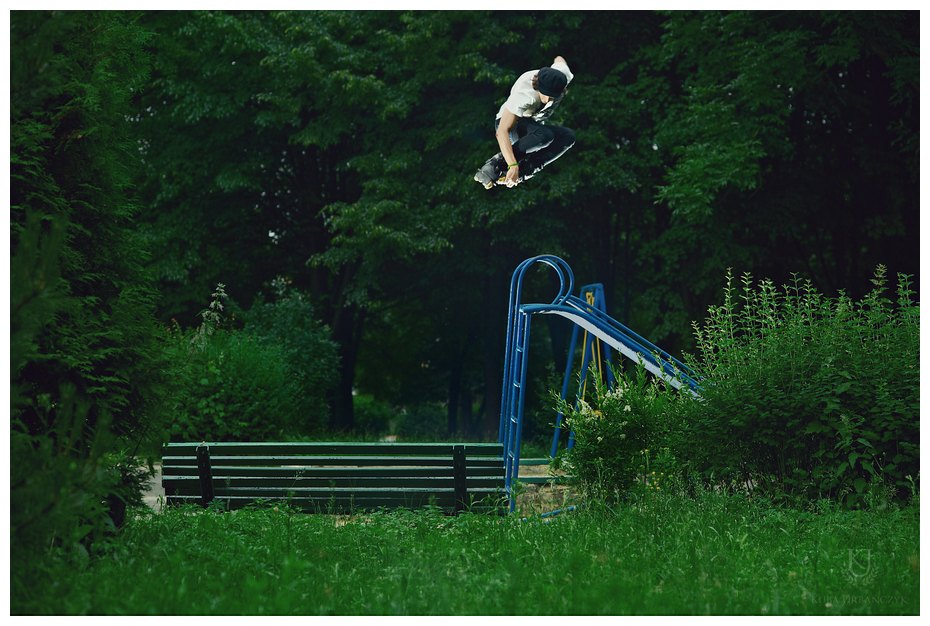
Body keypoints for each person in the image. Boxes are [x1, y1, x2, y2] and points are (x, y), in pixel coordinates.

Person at [474, 56, 576, 189]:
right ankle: (495, 165)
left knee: (568, 136)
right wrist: (512, 165)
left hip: (532, 126)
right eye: (545, 94)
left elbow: (560, 60)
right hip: (509, 124)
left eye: (553, 96)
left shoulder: (560, 77)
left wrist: (557, 59)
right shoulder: (525, 94)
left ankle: (524, 171)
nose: (548, 99)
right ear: (538, 87)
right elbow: (502, 131)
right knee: (544, 136)